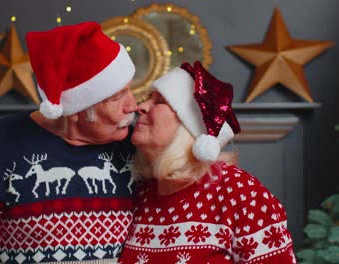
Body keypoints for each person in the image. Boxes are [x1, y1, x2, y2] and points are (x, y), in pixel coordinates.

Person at [0, 22, 138, 264]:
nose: (133, 105)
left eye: (129, 90)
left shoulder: (135, 146)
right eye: (116, 97)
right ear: (75, 109)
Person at [117, 61, 296, 264]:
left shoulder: (240, 193)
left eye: (159, 101)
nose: (141, 106)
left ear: (188, 127)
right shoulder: (142, 194)